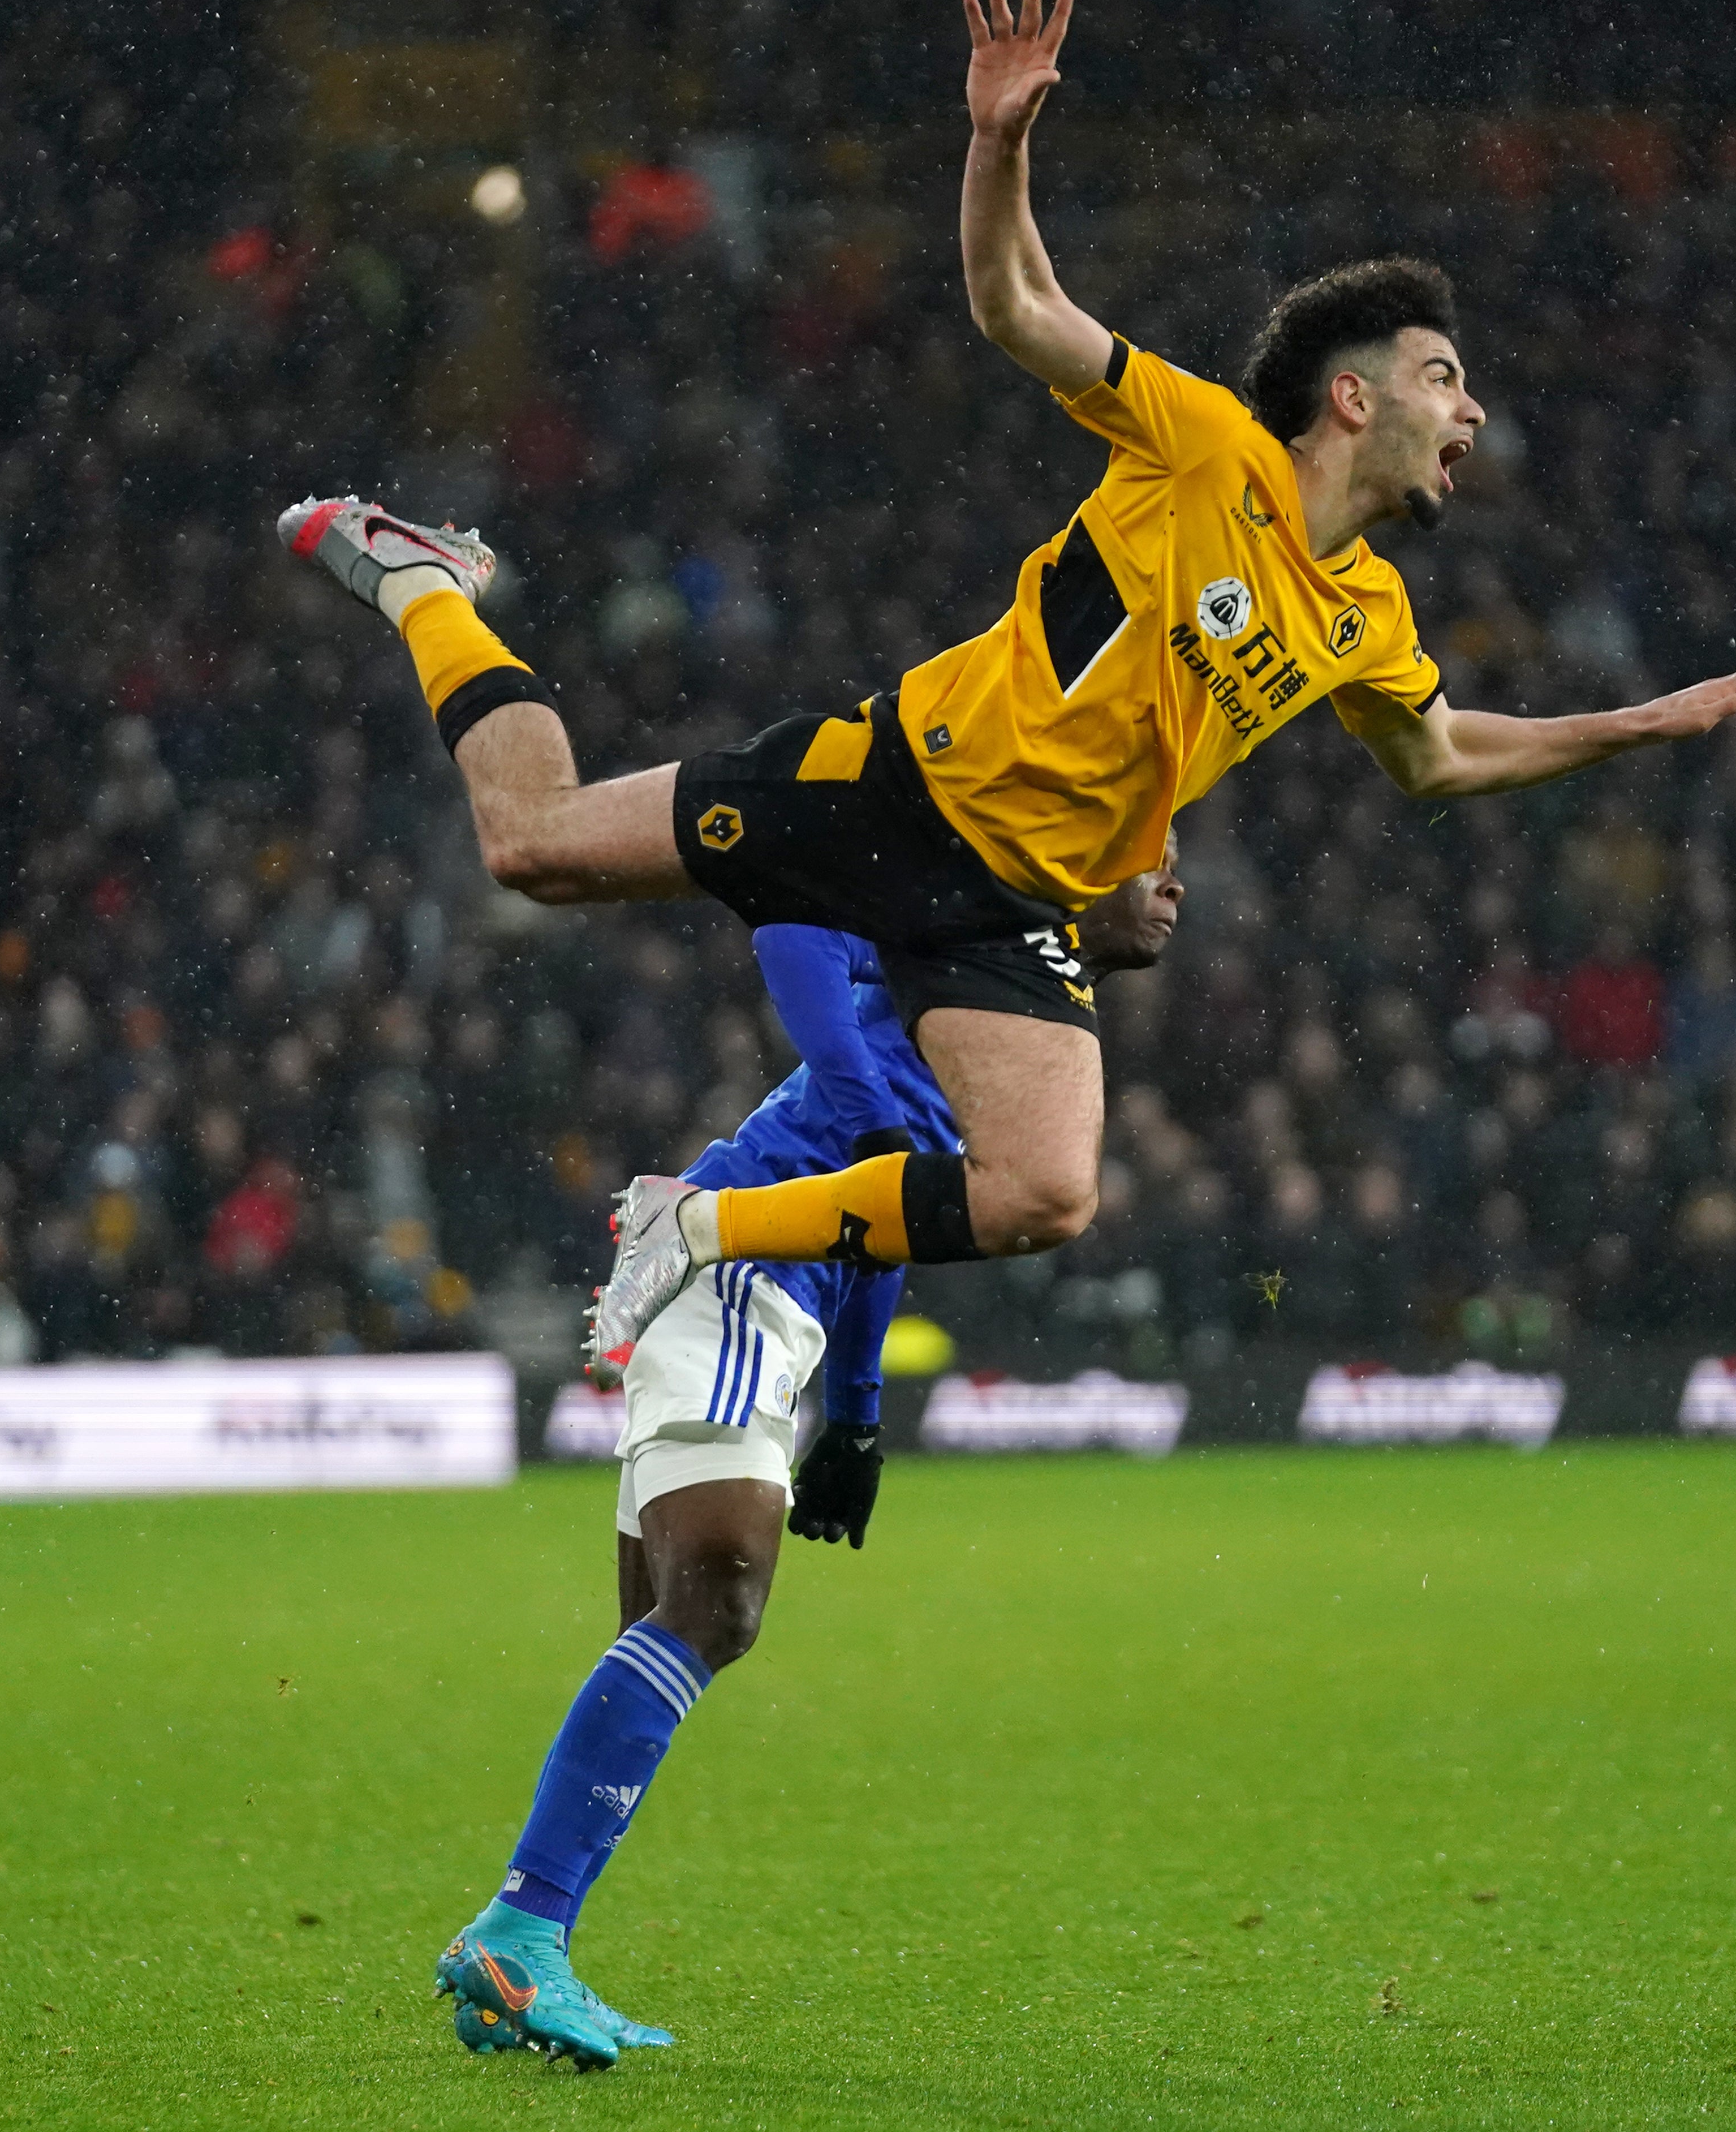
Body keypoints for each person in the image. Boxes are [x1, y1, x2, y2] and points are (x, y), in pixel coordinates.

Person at [274, 0, 1736, 1374]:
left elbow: (1440, 758)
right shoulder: (1206, 441)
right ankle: (431, 585)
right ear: (1354, 395)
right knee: (529, 847)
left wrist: (1637, 728)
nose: (1470, 413)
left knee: (1042, 1196)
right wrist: (997, 142)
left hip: (1017, 902)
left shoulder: (1371, 614)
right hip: (892, 789)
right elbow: (1017, 308)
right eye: (1445, 377)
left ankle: (693, 1226)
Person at [436, 857, 1185, 2069]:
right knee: (719, 1597)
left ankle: (533, 1938)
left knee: (672, 1620)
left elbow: (886, 1217)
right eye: (1150, 862)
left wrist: (860, 1413)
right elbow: (796, 922)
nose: (1172, 887)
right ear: (1082, 879)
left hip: (778, 1296)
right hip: (742, 1266)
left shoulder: (1035, 1011)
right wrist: (863, 1104)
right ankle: (521, 1927)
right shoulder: (975, 935)